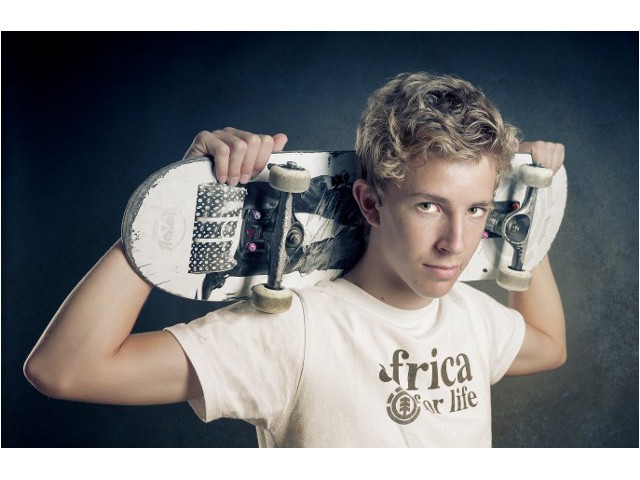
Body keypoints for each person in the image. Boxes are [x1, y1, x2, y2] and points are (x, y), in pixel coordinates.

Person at [24, 72, 566, 447]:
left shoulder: (472, 316)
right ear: (370, 203)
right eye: (429, 206)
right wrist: (172, 206)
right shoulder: (293, 330)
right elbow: (65, 371)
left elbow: (548, 345)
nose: (456, 241)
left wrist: (529, 206)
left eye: (476, 209)